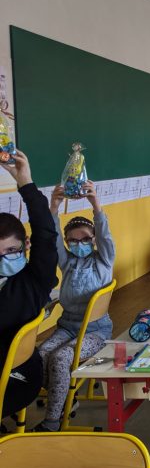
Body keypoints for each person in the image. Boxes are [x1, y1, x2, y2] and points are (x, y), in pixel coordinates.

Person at [34, 181, 115, 431]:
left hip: (95, 331)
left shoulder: (104, 261)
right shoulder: (67, 262)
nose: (79, 244)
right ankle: (66, 399)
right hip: (67, 326)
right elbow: (53, 237)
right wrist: (54, 206)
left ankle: (52, 421)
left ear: (94, 240)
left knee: (60, 358)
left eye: (85, 239)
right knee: (40, 355)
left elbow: (105, 235)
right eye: (73, 241)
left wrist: (95, 203)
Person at [0, 151, 58, 420]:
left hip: (17, 378)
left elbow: (46, 233)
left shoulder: (34, 280)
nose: (4, 258)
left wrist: (25, 183)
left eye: (11, 250)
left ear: (25, 246)